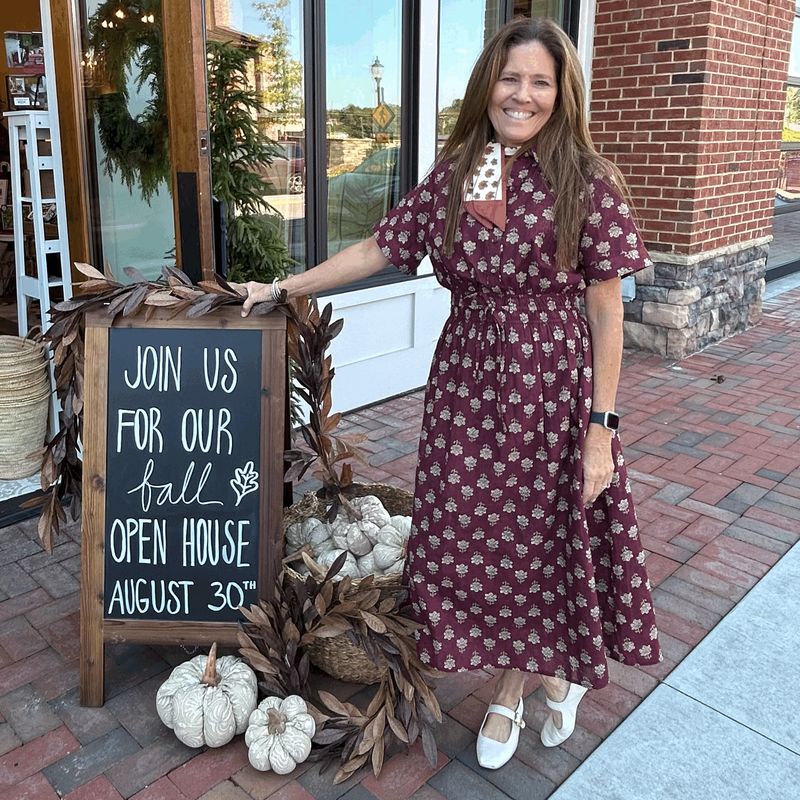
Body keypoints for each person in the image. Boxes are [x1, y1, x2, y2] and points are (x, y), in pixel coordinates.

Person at [239, 16, 662, 771]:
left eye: (540, 81)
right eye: (510, 78)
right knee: (468, 535)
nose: (522, 95)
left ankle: (512, 685)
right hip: (468, 384)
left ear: (562, 93)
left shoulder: (585, 177)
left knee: (538, 541)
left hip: (552, 387)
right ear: (486, 86)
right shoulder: (472, 168)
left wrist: (601, 429)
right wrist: (284, 284)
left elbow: (606, 310)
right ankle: (553, 666)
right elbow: (382, 247)